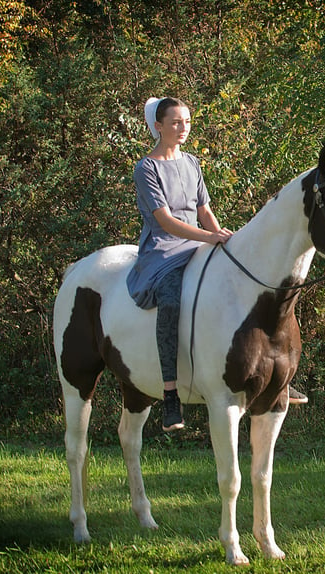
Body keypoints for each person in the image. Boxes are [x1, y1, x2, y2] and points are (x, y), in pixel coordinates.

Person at [128, 97, 234, 431]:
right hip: (164, 249)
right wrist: (209, 237)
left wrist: (218, 232)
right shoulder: (146, 168)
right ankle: (171, 395)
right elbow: (167, 222)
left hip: (200, 240)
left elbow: (203, 209)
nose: (183, 128)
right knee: (171, 302)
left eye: (187, 122)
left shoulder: (191, 162)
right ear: (157, 126)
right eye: (175, 122)